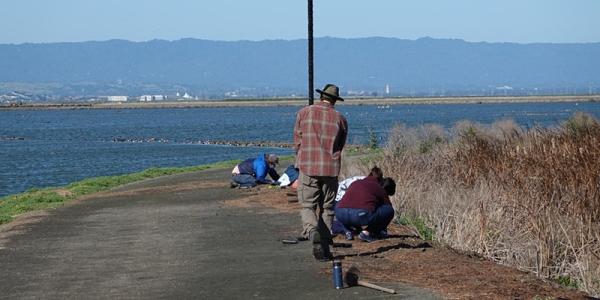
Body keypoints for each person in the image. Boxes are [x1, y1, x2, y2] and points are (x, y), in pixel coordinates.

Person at [294, 83, 348, 260]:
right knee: (327, 208)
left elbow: (298, 140)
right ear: (334, 100)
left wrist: (301, 157)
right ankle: (325, 246)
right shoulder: (340, 118)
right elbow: (341, 144)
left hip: (308, 165)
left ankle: (311, 231)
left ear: (321, 96)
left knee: (307, 205)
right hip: (330, 169)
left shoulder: (304, 112)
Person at [335, 173, 396, 243]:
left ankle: (347, 231)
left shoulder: (356, 182)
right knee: (389, 210)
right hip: (358, 215)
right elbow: (388, 207)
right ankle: (366, 233)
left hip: (340, 214)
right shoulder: (378, 187)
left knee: (349, 206)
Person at [331, 167, 383, 240]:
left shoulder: (365, 180)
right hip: (340, 198)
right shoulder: (366, 182)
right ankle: (346, 230)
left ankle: (349, 229)